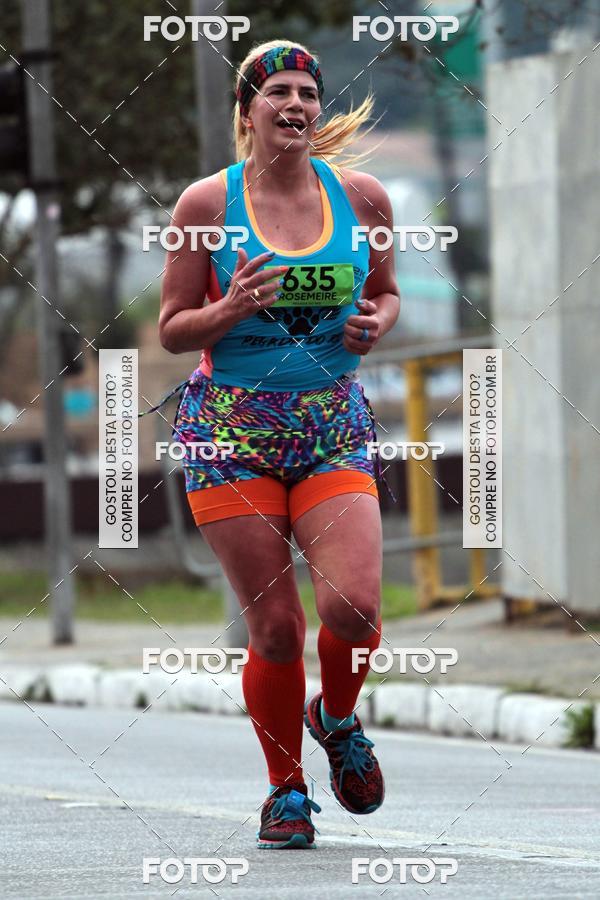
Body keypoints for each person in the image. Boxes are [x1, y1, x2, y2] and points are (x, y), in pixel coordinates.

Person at [159, 39, 400, 850]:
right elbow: (172, 328)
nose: (295, 104)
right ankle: (286, 791)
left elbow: (387, 293)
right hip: (229, 435)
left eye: (307, 92)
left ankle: (336, 717)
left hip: (331, 426)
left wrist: (374, 323)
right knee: (275, 630)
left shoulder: (361, 199)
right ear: (248, 111)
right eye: (278, 93)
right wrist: (228, 309)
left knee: (355, 607)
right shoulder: (205, 205)